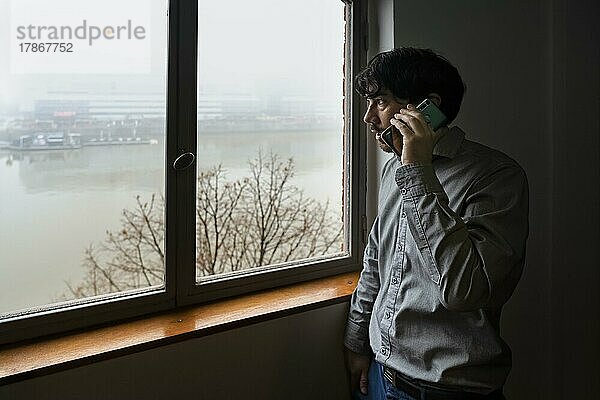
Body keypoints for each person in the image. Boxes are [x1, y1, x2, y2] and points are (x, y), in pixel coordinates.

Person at [344, 47, 529, 400]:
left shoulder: (497, 177)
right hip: (381, 377)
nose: (368, 117)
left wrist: (418, 173)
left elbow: (465, 289)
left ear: (426, 108)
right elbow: (376, 259)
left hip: (449, 391)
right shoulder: (392, 169)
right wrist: (356, 340)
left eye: (380, 102)